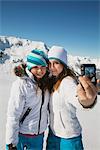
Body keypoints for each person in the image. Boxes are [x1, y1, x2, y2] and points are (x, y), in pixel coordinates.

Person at [46, 46, 97, 150]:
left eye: (56, 63)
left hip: (69, 138)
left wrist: (87, 101)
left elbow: (76, 97)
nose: (52, 67)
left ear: (63, 64)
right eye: (49, 64)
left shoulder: (67, 82)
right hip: (53, 134)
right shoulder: (52, 80)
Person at [6, 49, 50, 150]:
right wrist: (11, 142)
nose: (40, 71)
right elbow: (13, 115)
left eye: (43, 66)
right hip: (22, 135)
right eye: (36, 67)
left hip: (39, 136)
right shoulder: (21, 85)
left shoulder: (46, 83)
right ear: (30, 67)